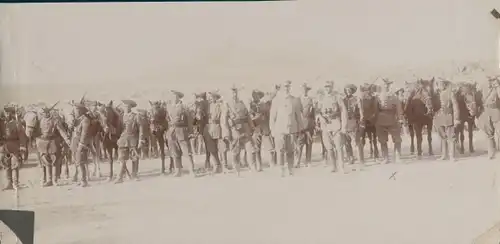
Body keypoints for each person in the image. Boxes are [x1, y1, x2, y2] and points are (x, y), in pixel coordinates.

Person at [270, 80, 304, 176]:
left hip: (291, 129)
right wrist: (272, 130)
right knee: (280, 150)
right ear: (281, 88)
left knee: (291, 150)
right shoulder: (276, 100)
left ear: (290, 87)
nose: (286, 88)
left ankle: (290, 168)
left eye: (288, 86)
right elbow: (272, 117)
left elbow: (298, 116)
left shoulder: (295, 100)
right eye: (284, 87)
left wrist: (301, 129)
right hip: (279, 130)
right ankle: (281, 169)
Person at [222, 85, 255, 176]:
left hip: (245, 128)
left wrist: (251, 126)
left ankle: (253, 167)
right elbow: (224, 120)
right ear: (230, 94)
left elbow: (247, 115)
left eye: (235, 92)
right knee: (235, 151)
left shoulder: (241, 103)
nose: (234, 94)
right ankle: (237, 169)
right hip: (234, 130)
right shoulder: (227, 104)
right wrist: (227, 133)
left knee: (250, 147)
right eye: (232, 92)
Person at [36, 102, 71, 187]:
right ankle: (49, 180)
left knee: (55, 161)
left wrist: (67, 139)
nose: (45, 114)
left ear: (49, 112)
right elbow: (37, 132)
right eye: (43, 113)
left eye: (46, 112)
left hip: (53, 142)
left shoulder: (55, 121)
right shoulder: (41, 121)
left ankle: (55, 180)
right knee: (46, 162)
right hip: (44, 143)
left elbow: (61, 131)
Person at [316, 80, 348, 173]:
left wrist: (344, 126)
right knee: (328, 147)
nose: (327, 88)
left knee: (339, 146)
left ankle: (341, 166)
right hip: (325, 125)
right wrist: (320, 119)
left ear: (332, 87)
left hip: (336, 124)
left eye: (329, 86)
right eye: (325, 86)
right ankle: (333, 166)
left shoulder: (337, 97)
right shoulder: (321, 98)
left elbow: (343, 111)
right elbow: (317, 111)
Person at [165, 90, 197, 177]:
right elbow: (167, 119)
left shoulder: (184, 107)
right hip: (172, 131)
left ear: (179, 97)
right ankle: (178, 170)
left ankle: (191, 170)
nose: (173, 98)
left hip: (182, 131)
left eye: (175, 96)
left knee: (187, 152)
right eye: (172, 96)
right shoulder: (169, 107)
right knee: (175, 152)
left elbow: (189, 120)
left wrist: (190, 132)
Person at [375, 78, 404, 164]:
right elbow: (375, 109)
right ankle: (385, 158)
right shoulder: (377, 97)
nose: (386, 87)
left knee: (397, 139)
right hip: (380, 121)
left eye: (387, 85)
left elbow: (399, 109)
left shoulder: (394, 97)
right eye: (384, 85)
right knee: (382, 140)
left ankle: (397, 156)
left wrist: (400, 119)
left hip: (392, 120)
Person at [115, 99, 145, 183]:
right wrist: (118, 139)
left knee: (134, 158)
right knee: (122, 158)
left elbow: (141, 128)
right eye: (124, 106)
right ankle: (120, 176)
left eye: (127, 106)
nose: (125, 108)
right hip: (123, 139)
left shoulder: (136, 116)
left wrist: (141, 139)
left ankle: (134, 175)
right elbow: (119, 129)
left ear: (130, 107)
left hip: (133, 139)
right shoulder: (121, 117)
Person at [0, 104, 27, 190]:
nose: (7, 114)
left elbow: (22, 135)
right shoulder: (1, 123)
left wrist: (22, 146)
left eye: (9, 113)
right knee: (6, 165)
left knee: (14, 165)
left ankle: (15, 183)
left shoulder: (16, 123)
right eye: (6, 112)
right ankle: (9, 184)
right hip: (4, 146)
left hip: (14, 146)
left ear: (12, 113)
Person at [248, 89, 276, 171]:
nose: (255, 97)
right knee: (256, 149)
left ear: (260, 96)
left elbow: (269, 109)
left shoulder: (264, 104)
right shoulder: (251, 105)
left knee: (270, 148)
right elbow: (250, 117)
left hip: (265, 128)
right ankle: (259, 166)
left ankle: (272, 164)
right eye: (254, 95)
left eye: (257, 95)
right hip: (256, 129)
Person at [434, 77, 460, 161]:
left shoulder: (450, 93)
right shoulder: (436, 95)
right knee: (442, 137)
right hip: (439, 118)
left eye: (442, 84)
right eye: (439, 84)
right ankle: (444, 155)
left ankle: (451, 156)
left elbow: (455, 106)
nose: (441, 85)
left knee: (451, 137)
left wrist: (456, 118)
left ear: (445, 85)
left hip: (449, 117)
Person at [70, 99, 93, 187]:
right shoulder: (77, 119)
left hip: (81, 142)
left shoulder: (85, 120)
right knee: (76, 161)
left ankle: (84, 180)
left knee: (81, 161)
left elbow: (84, 133)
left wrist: (81, 144)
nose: (76, 111)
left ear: (81, 110)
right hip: (75, 141)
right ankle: (81, 179)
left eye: (77, 110)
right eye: (75, 110)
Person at [477, 70, 500, 159]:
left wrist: (497, 86)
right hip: (486, 111)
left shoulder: (497, 88)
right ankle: (491, 152)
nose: (489, 82)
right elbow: (478, 100)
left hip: (495, 111)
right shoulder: (482, 88)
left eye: (491, 80)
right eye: (488, 80)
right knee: (489, 134)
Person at [204, 90, 228, 174]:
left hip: (218, 127)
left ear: (215, 97)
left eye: (212, 97)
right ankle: (216, 166)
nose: (210, 98)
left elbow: (223, 117)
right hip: (209, 128)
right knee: (211, 149)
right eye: (210, 97)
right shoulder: (207, 106)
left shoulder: (220, 105)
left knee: (222, 148)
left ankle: (224, 166)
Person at [343, 84, 364, 168]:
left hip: (354, 122)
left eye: (350, 90)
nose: (348, 91)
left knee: (357, 141)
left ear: (352, 91)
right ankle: (350, 158)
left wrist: (361, 121)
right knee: (347, 142)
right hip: (345, 123)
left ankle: (361, 160)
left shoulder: (356, 99)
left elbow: (361, 111)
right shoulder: (343, 100)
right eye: (347, 90)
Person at [295, 83, 315, 168]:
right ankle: (298, 161)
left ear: (308, 90)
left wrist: (314, 124)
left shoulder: (311, 100)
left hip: (309, 124)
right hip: (301, 124)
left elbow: (313, 113)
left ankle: (308, 161)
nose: (305, 91)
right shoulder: (298, 99)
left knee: (309, 143)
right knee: (300, 143)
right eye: (303, 89)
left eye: (306, 89)